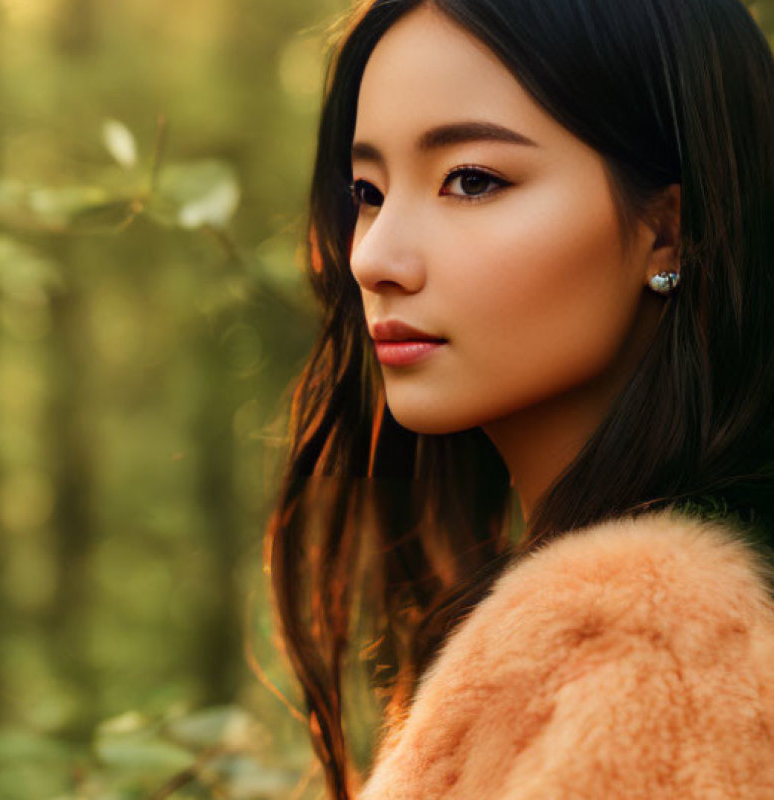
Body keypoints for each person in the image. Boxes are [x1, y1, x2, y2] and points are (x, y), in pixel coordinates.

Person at [264, 0, 774, 797]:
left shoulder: (652, 651)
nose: (375, 257)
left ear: (669, 231)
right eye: (367, 190)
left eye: (471, 180)